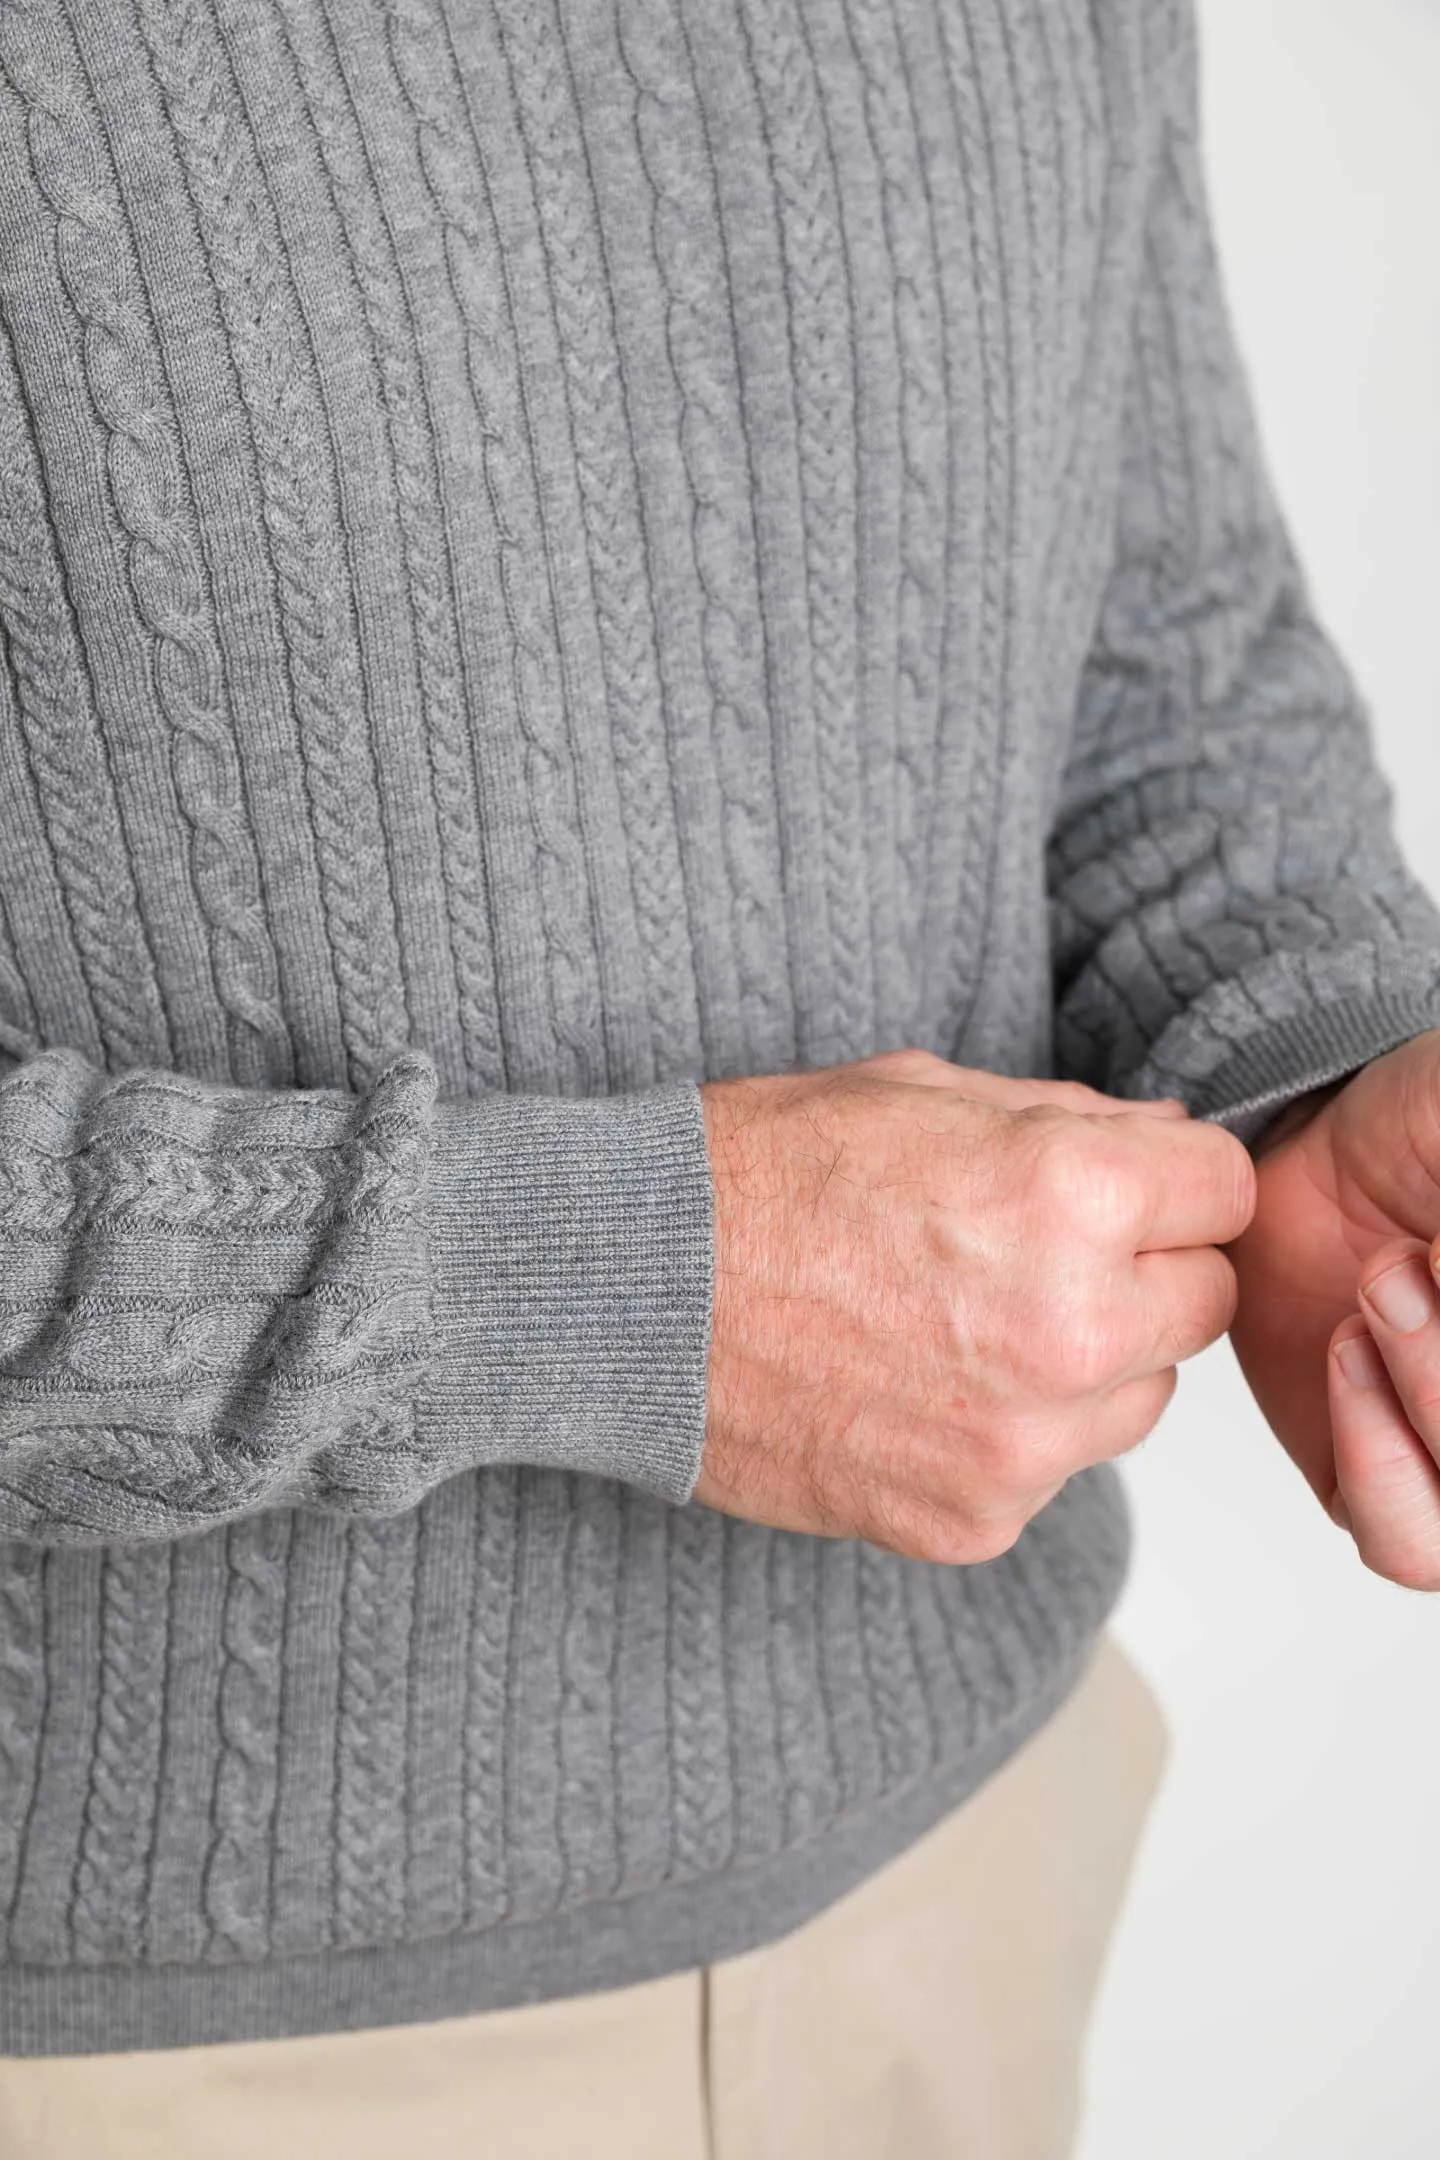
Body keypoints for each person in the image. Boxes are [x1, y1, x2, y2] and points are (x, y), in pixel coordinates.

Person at [0, 2, 1437, 2154]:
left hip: (967, 1880)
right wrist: (607, 1289)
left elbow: (1160, 648)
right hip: (147, 2049)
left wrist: (1325, 1091)